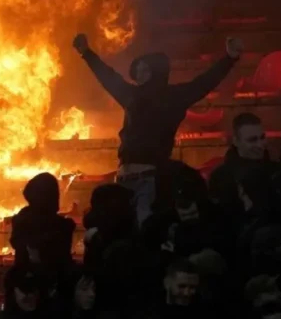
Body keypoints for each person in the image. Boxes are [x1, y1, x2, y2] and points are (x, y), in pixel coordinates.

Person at [73, 33, 243, 224]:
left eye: (145, 70)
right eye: (137, 71)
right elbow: (108, 77)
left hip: (151, 181)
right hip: (123, 179)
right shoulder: (131, 95)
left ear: (158, 72)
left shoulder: (174, 97)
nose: (139, 74)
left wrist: (229, 58)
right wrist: (86, 53)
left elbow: (204, 83)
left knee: (146, 231)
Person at [209, 113, 278, 220]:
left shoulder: (277, 172)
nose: (260, 144)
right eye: (252, 140)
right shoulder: (221, 178)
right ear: (236, 141)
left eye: (262, 137)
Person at [10, 173, 76, 271]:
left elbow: (16, 243)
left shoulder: (23, 220)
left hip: (29, 277)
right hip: (54, 278)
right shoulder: (62, 226)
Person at [139, 259, 214, 318]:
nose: (187, 293)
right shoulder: (150, 309)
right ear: (167, 283)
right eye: (181, 286)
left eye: (192, 287)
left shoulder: (203, 309)